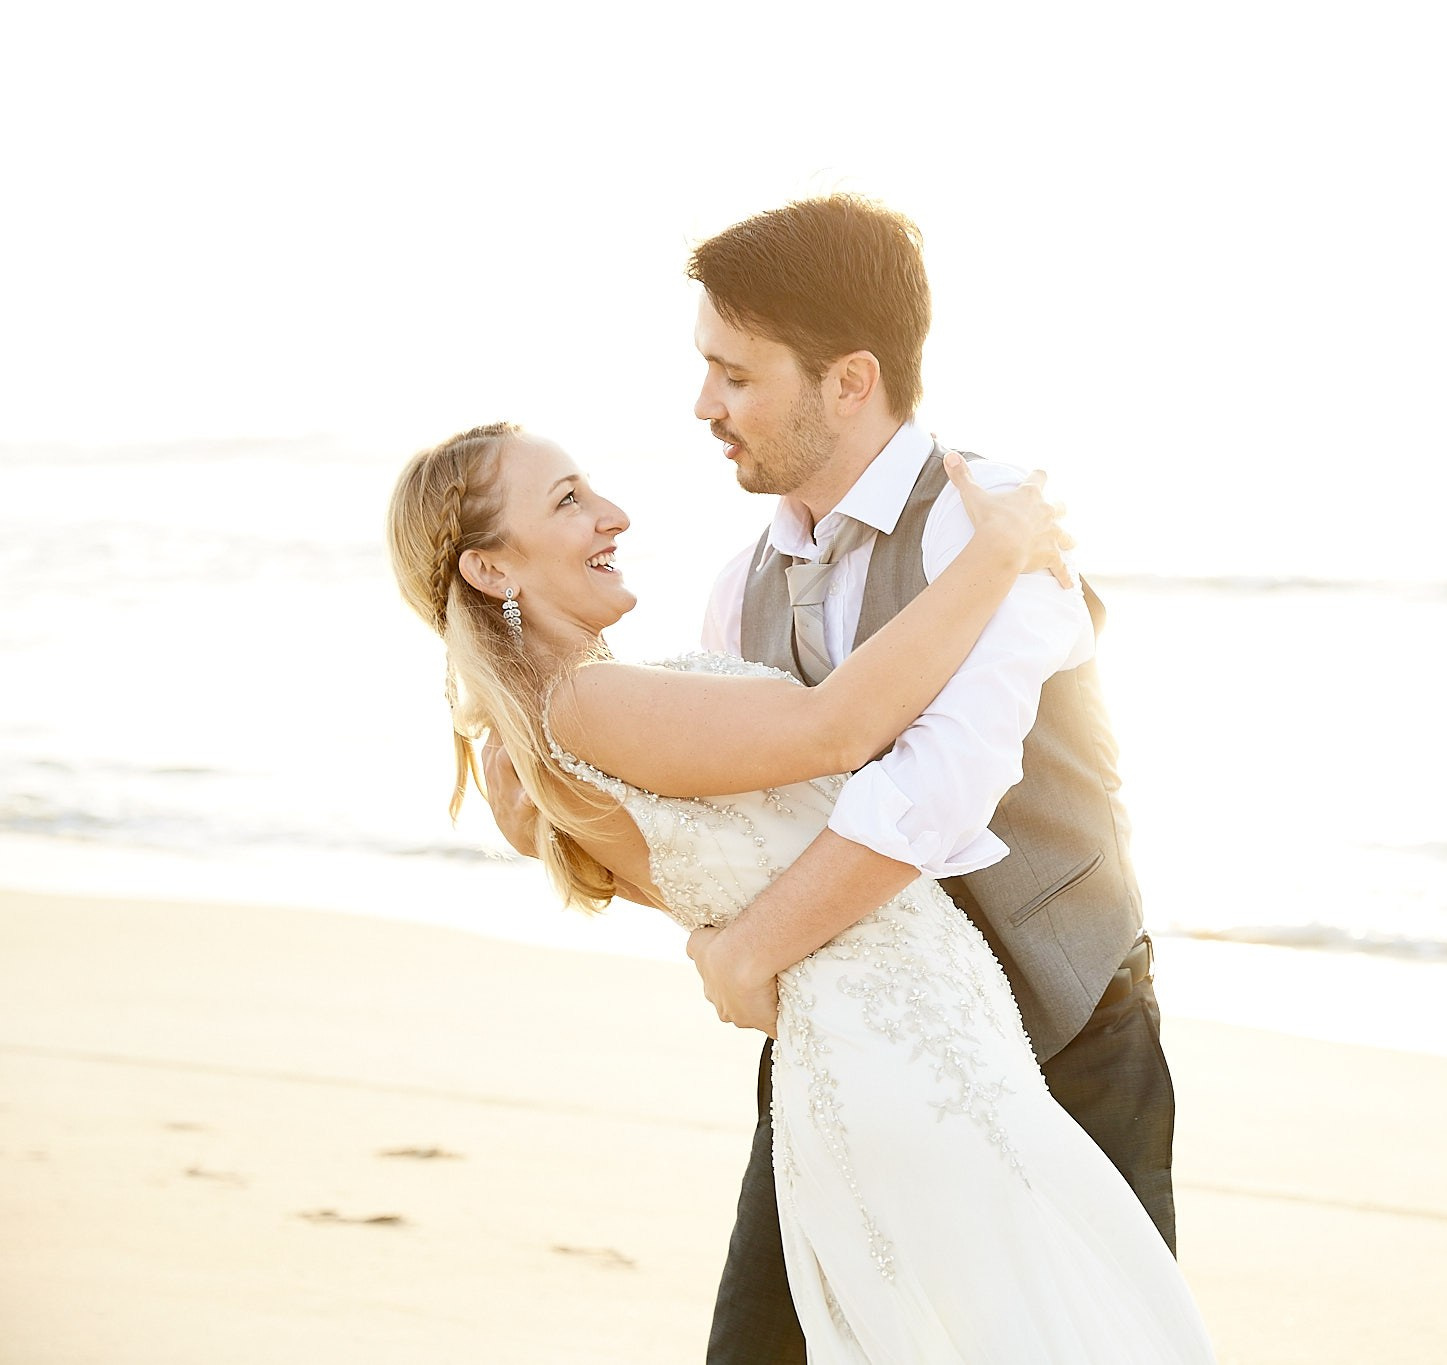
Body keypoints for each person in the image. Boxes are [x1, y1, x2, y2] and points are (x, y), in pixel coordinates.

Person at [391, 421, 1213, 1362]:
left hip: (900, 1043)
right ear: (493, 571)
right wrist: (997, 553)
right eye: (568, 499)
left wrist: (718, 937)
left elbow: (722, 877)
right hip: (908, 1059)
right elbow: (839, 727)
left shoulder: (568, 715)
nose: (610, 513)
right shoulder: (584, 702)